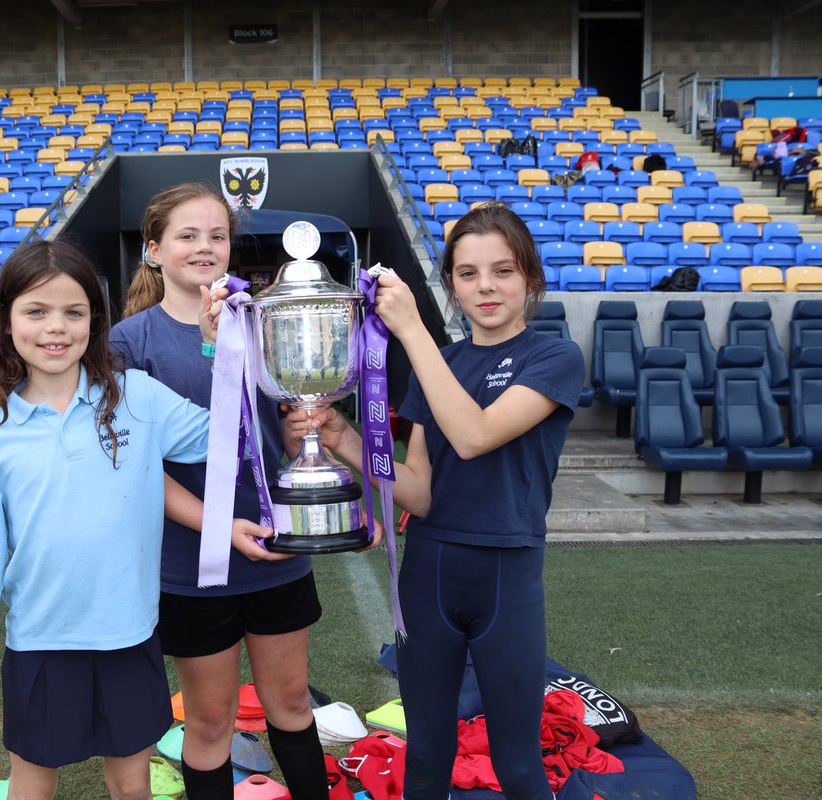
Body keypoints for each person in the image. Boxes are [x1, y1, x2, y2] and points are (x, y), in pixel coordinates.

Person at [290, 203, 585, 800]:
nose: (487, 286)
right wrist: (342, 436)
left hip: (507, 572)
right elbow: (420, 492)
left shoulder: (553, 357)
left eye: (503, 271)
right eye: (469, 273)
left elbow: (475, 436)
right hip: (429, 570)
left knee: (518, 762)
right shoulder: (440, 363)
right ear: (450, 282)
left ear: (530, 277)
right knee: (425, 752)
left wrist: (413, 330)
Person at [0, 239, 214, 800]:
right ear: (5, 322)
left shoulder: (137, 397)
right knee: (33, 783)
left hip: (130, 636)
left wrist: (218, 351)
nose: (56, 328)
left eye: (74, 312)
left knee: (131, 785)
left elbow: (228, 435)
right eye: (36, 311)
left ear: (94, 322)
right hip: (41, 645)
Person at [111, 182, 342, 800]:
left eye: (217, 235)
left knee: (292, 704)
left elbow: (276, 443)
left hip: (275, 553)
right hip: (193, 566)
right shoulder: (127, 343)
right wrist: (218, 525)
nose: (205, 247)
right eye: (187, 235)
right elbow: (132, 466)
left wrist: (301, 438)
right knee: (210, 721)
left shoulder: (266, 318)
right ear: (154, 250)